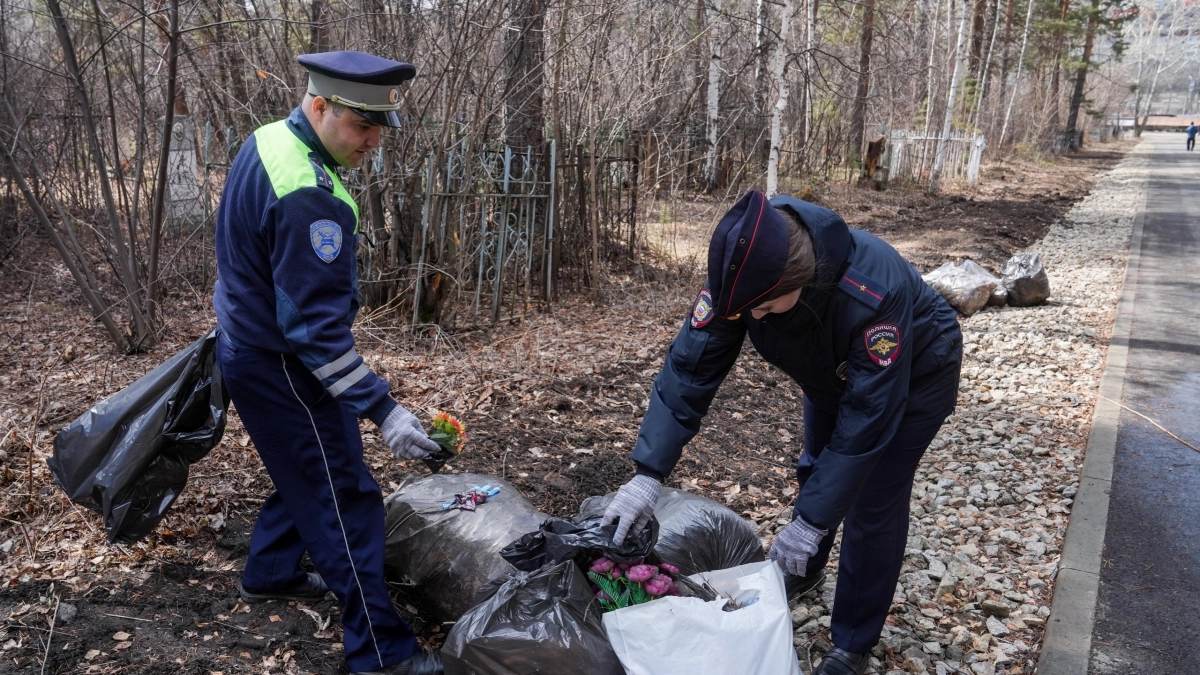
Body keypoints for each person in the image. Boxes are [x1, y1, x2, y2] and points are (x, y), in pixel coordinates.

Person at [602, 190, 963, 675]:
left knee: (872, 500)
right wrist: (648, 474)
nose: (756, 318)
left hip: (915, 374)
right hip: (830, 375)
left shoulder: (872, 289)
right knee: (816, 469)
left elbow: (867, 421)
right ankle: (804, 567)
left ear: (800, 278)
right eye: (748, 311)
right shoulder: (740, 274)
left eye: (768, 308)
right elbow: (690, 370)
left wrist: (810, 522)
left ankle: (852, 641)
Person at [212, 51, 443, 675]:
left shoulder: (267, 139)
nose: (372, 142)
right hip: (285, 366)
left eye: (378, 129)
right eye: (361, 127)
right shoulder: (310, 199)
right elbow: (315, 335)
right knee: (345, 494)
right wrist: (384, 409)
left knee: (306, 465)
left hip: (247, 345)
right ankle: (383, 653)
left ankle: (270, 572)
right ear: (319, 107)